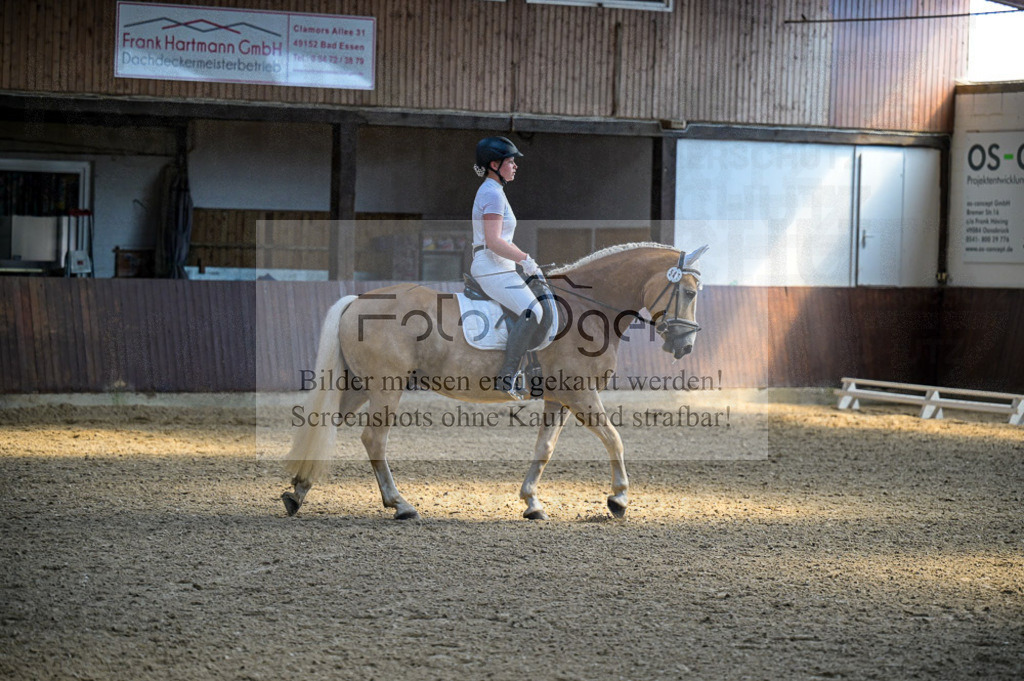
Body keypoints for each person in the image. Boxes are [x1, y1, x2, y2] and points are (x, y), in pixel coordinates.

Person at [470, 136, 544, 396]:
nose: (515, 166)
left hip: (500, 266)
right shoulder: (492, 193)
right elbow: (493, 241)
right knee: (533, 311)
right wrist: (525, 259)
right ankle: (507, 377)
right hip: (492, 265)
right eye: (510, 162)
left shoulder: (495, 192)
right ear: (494, 164)